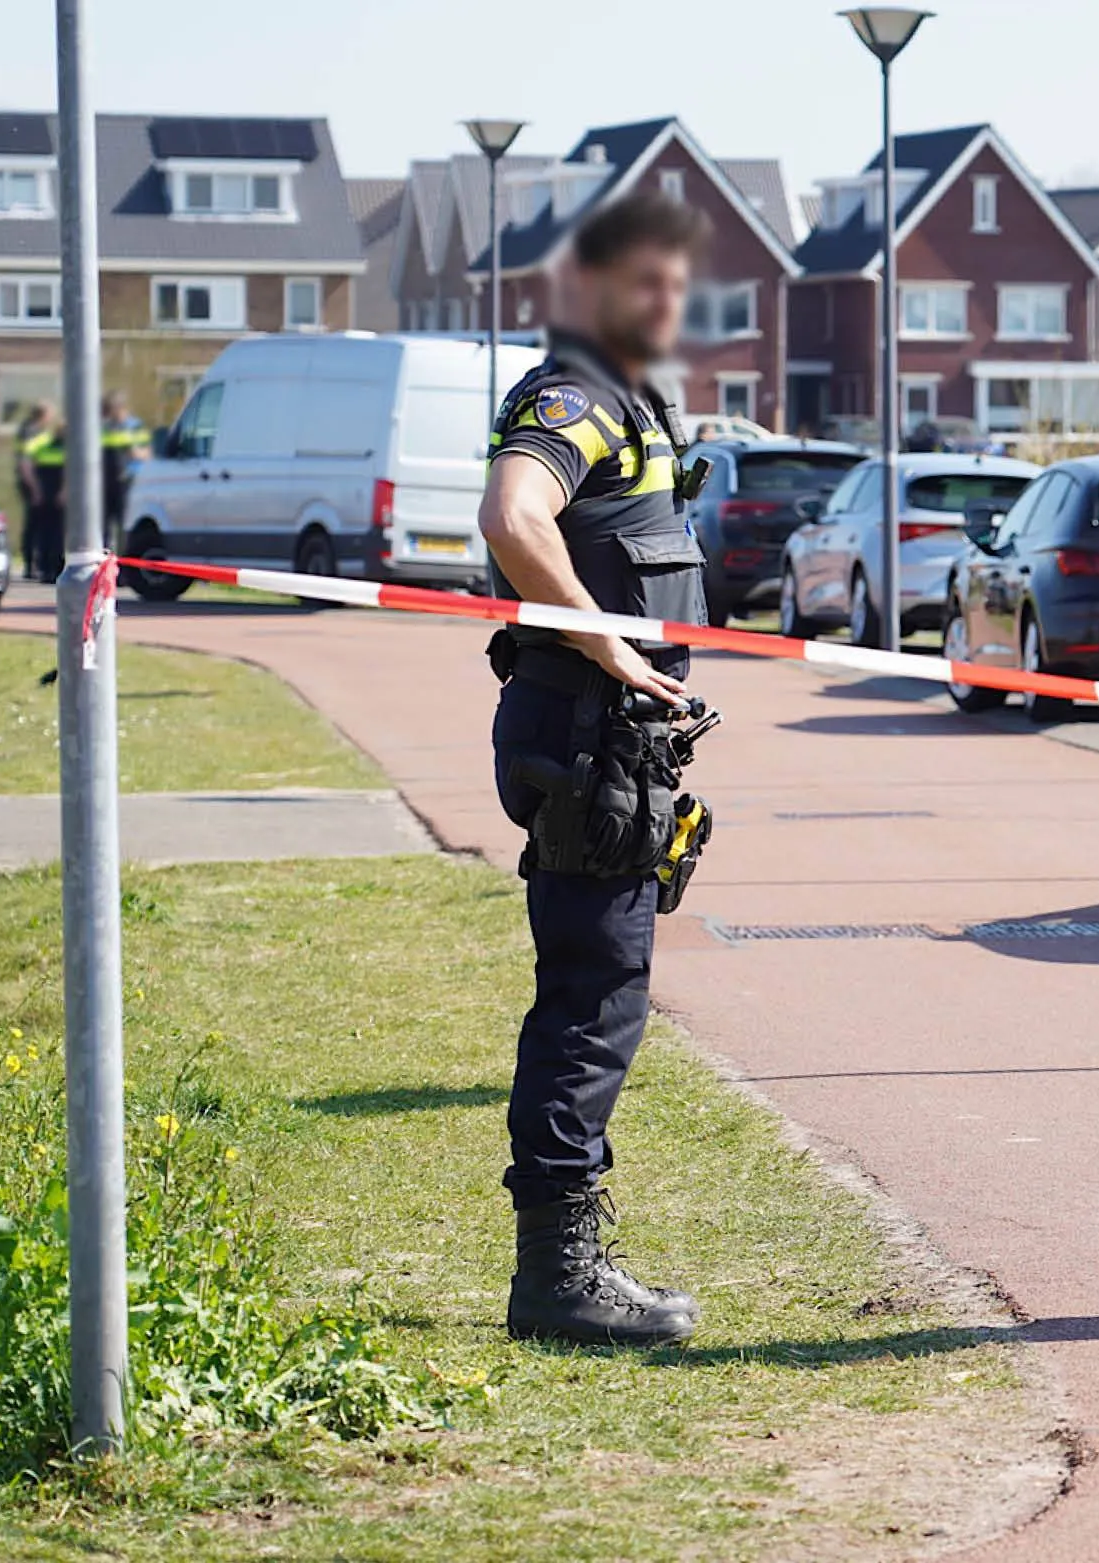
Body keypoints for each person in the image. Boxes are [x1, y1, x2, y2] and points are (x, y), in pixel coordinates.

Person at [476, 189, 716, 1348]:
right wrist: (606, 643)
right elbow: (513, 515)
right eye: (640, 283)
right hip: (586, 740)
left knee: (600, 991)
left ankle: (564, 1263)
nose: (664, 304)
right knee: (591, 996)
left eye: (675, 284)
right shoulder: (573, 397)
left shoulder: (636, 402)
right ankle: (558, 1277)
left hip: (612, 743)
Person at [16, 402, 66, 583]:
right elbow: (25, 465)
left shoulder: (43, 440)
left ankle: (49, 568)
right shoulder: (41, 440)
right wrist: (36, 490)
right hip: (48, 493)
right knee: (49, 531)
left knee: (52, 532)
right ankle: (47, 568)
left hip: (51, 492)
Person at [99, 392, 149, 553]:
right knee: (103, 524)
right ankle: (104, 558)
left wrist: (136, 452)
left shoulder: (135, 426)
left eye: (112, 410)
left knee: (124, 523)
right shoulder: (103, 427)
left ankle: (124, 559)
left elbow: (147, 454)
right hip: (106, 482)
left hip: (128, 480)